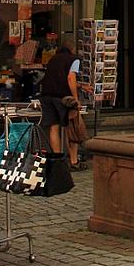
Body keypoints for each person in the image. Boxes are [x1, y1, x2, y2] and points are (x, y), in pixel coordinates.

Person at [39, 34, 85, 171]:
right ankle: (73, 160)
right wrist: (76, 98)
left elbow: (57, 77)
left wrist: (81, 86)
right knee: (71, 127)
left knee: (54, 127)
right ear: (73, 48)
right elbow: (70, 78)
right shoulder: (73, 59)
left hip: (47, 96)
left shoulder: (53, 59)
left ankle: (57, 160)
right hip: (62, 98)